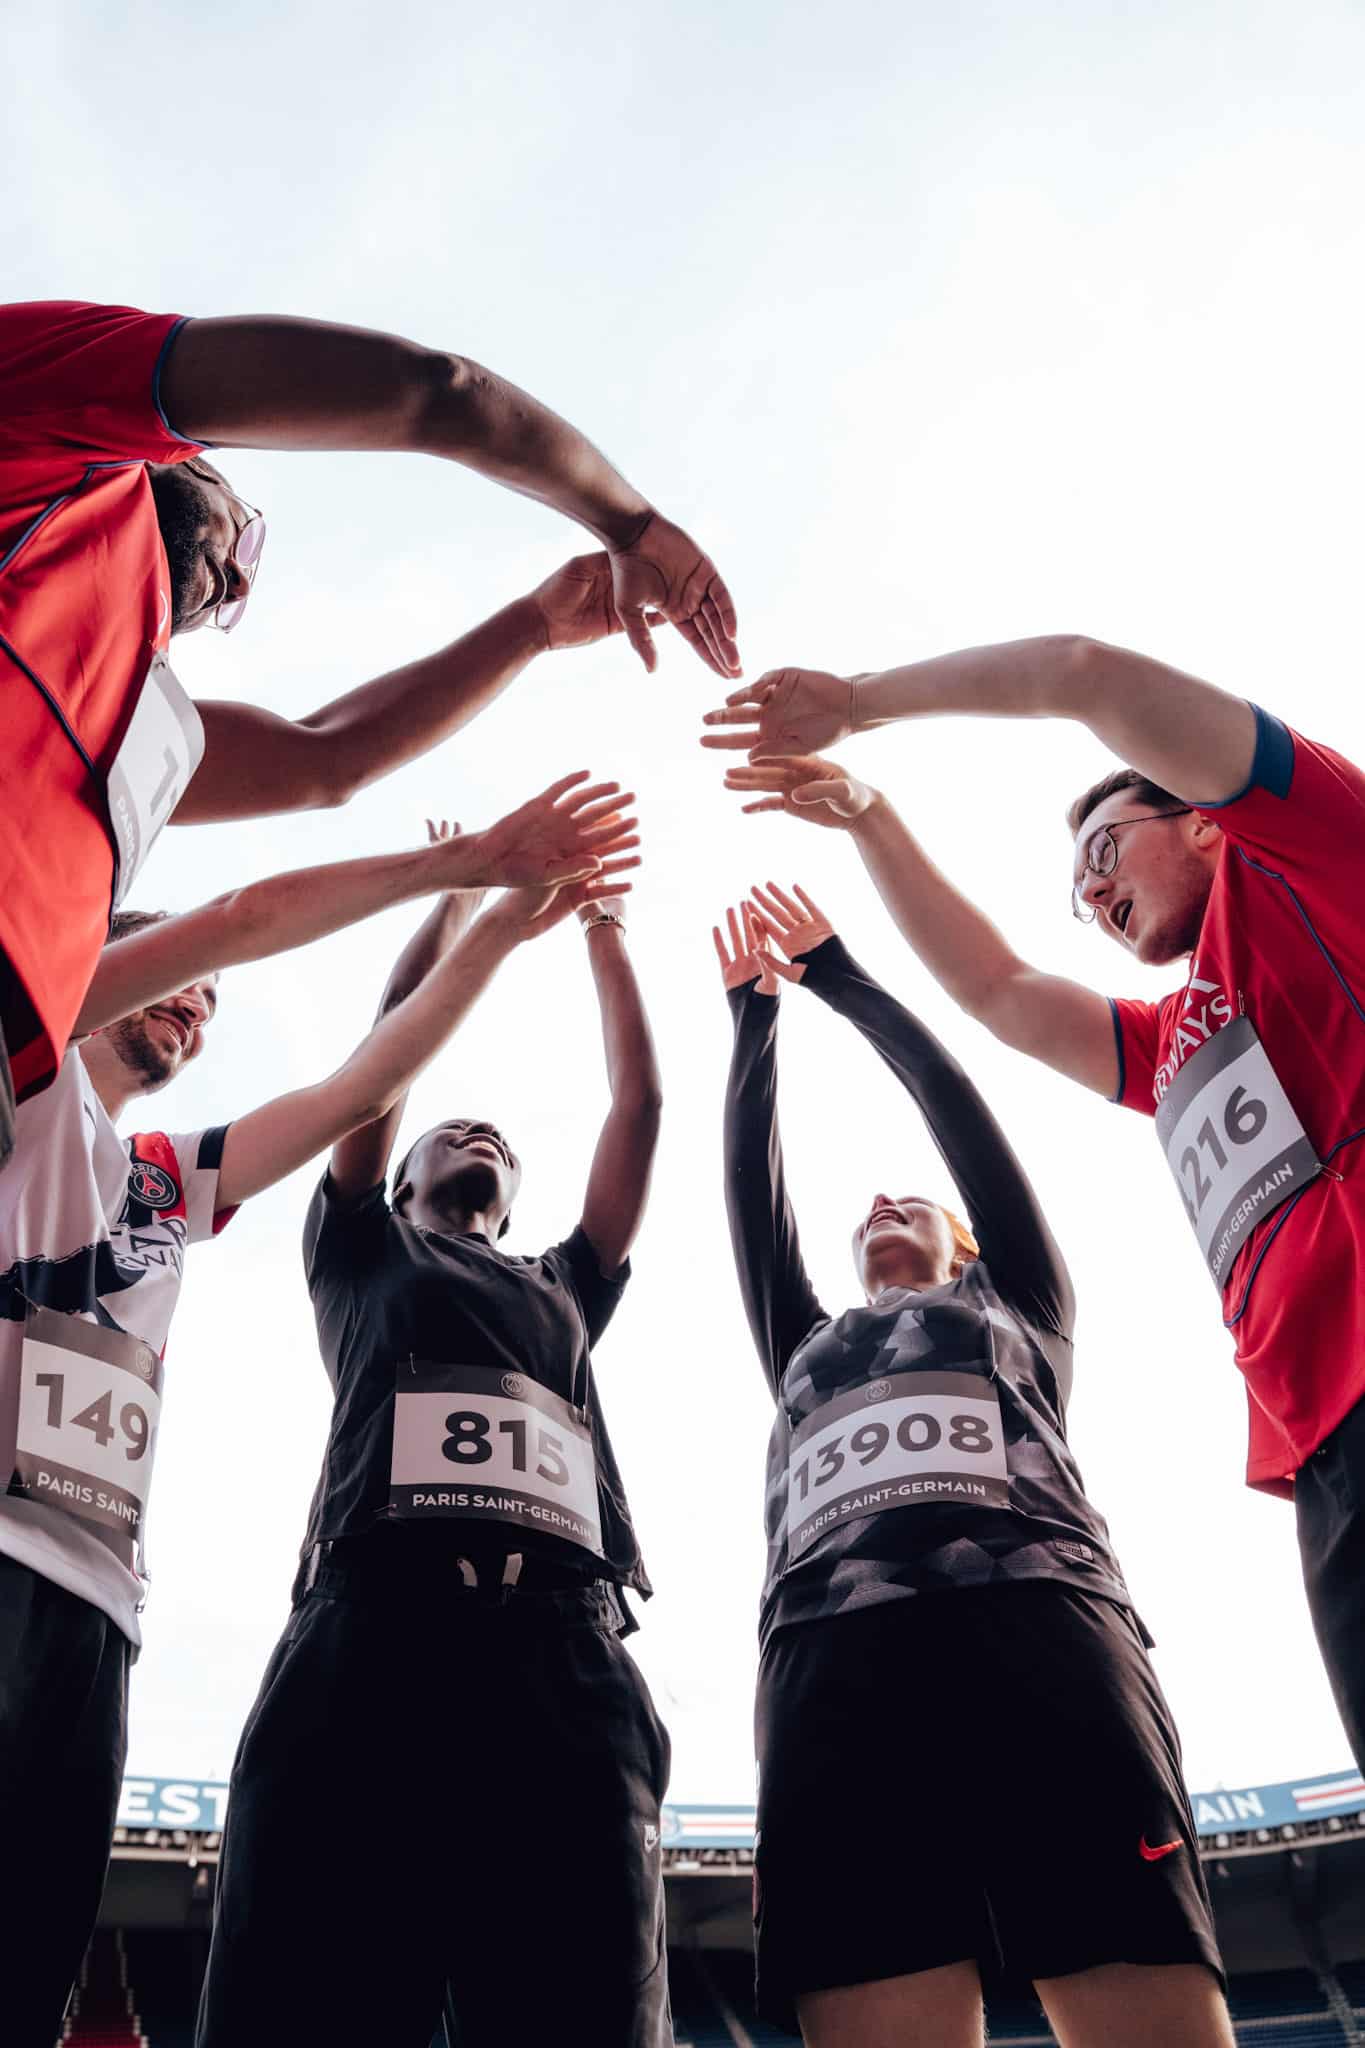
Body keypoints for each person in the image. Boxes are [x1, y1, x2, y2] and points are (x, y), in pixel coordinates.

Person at [0, 772, 636, 2048]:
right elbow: (232, 919)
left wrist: (496, 927)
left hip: (93, 1595)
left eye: (210, 1000)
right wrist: (448, 880)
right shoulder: (25, 1072)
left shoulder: (170, 1177)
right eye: (167, 967)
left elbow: (363, 1085)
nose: (194, 995)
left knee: (25, 1971)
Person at [707, 648, 1365, 1774]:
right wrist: (870, 819)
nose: (1096, 897)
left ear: (1203, 818)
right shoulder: (1176, 1042)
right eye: (1080, 893)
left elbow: (1083, 674)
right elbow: (1001, 992)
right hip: (1323, 1440)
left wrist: (862, 707)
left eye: (1105, 851)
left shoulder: (1313, 854)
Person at [0, 295, 740, 1156]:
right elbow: (436, 392)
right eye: (247, 543)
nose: (239, 586)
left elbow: (326, 762)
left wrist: (534, 625)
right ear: (182, 458)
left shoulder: (111, 701)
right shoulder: (45, 428)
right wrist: (628, 522)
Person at [715, 881, 1232, 2048]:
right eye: (868, 1210)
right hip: (832, 1656)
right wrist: (753, 1027)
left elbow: (958, 1112)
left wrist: (843, 984)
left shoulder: (1022, 1301)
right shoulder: (803, 1342)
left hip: (1043, 1627)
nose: (885, 1199)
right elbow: (756, 1202)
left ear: (971, 1240)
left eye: (917, 1201)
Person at [195, 867, 667, 2048]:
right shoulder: (362, 1245)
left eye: (501, 1135)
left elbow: (640, 1110)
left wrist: (607, 932)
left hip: (563, 1648)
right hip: (373, 1632)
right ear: (398, 1171)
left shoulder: (563, 1284)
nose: (481, 1130)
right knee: (305, 1992)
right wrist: (457, 903)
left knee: (591, 2009)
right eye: (449, 1125)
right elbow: (386, 1053)